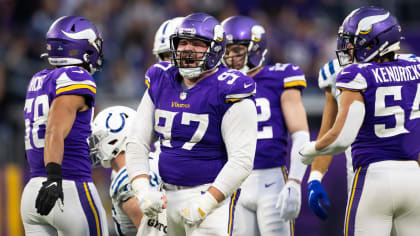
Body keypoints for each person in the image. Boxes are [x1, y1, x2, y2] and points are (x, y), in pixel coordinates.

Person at [125, 12, 258, 236]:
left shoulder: (230, 88)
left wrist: (205, 204)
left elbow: (242, 161)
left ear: (216, 49)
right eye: (183, 42)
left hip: (210, 198)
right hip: (164, 194)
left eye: (197, 44)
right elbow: (137, 141)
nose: (187, 49)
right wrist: (143, 190)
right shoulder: (161, 78)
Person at [300, 6, 420, 236]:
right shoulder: (414, 65)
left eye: (352, 41)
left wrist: (308, 155)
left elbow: (334, 134)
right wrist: (315, 177)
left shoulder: (347, 74)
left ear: (374, 42)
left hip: (369, 178)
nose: (347, 47)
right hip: (409, 177)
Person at [222, 16, 310, 235]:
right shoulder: (219, 84)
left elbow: (300, 135)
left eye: (236, 50)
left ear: (255, 48)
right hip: (233, 180)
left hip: (271, 180)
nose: (230, 57)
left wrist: (295, 181)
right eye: (226, 51)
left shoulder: (279, 77)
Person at [20, 16, 108, 235]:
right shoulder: (76, 76)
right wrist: (54, 177)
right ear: (81, 48)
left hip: (32, 191)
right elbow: (54, 129)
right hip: (67, 186)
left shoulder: (38, 79)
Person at [90, 106, 167, 236]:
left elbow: (154, 233)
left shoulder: (127, 178)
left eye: (98, 140)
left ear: (114, 139)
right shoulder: (151, 161)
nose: (95, 147)